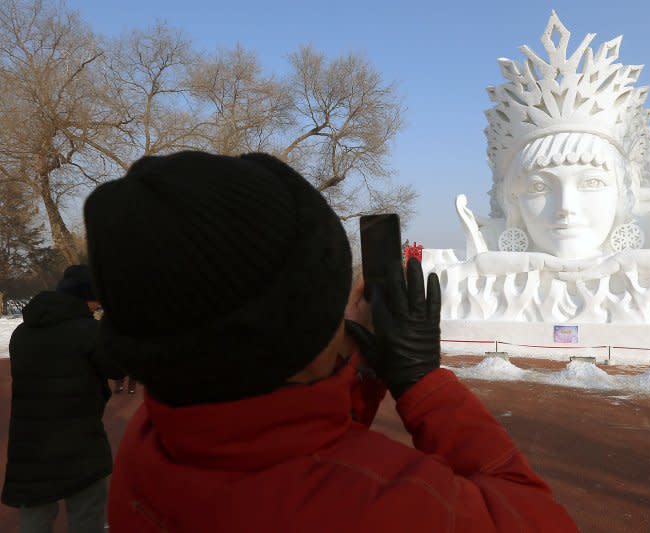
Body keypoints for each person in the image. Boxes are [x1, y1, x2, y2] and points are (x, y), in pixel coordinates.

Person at [83, 151, 578, 532]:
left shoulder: (149, 439)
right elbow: (533, 516)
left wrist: (356, 368)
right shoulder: (389, 504)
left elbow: (273, 437)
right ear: (299, 326)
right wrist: (421, 381)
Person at [2, 265, 125, 533]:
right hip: (79, 439)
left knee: (35, 514)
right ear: (85, 296)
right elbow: (116, 368)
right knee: (86, 511)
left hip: (30, 442)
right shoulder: (88, 331)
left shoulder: (21, 334)